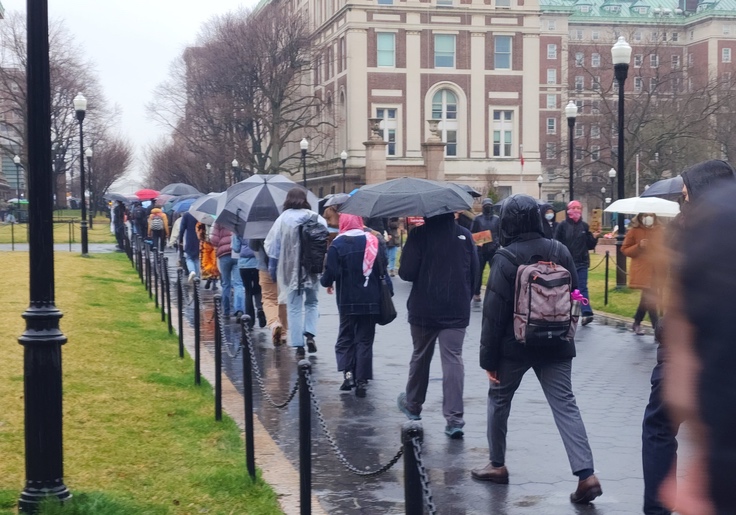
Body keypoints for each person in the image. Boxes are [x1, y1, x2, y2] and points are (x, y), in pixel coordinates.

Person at [472, 194, 602, 504]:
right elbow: (575, 294)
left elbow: (494, 314)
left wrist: (488, 360)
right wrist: (571, 326)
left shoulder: (506, 257)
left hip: (514, 345)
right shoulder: (559, 250)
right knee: (565, 404)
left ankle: (498, 464)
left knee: (499, 401)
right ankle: (587, 475)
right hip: (557, 341)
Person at [641, 159, 736, 515]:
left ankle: (655, 509)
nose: (683, 204)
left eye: (686, 196)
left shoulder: (698, 233)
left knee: (660, 424)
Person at [396, 211, 479, 439]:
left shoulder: (419, 235)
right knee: (453, 359)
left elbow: (406, 273)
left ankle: (413, 405)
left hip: (425, 305)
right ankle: (454, 419)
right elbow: (475, 271)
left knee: (421, 355)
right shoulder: (464, 235)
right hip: (456, 307)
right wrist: (466, 295)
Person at [320, 213, 391, 398]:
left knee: (346, 337)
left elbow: (329, 275)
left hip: (347, 300)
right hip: (371, 298)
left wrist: (327, 281)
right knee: (365, 339)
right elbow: (382, 266)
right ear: (360, 222)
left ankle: (348, 375)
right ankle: (362, 379)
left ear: (343, 223)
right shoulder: (373, 241)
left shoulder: (337, 244)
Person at [264, 187, 327, 358]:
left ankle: (298, 344)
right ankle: (310, 334)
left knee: (294, 307)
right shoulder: (316, 218)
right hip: (312, 268)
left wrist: (272, 268)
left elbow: (273, 246)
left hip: (290, 268)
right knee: (312, 302)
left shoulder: (283, 219)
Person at [554, 200, 599, 326]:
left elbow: (589, 245)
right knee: (566, 289)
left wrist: (594, 237)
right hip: (566, 263)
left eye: (579, 208)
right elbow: (557, 243)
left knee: (582, 287)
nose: (577, 210)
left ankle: (586, 313)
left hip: (582, 262)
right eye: (574, 208)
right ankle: (565, 314)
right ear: (568, 210)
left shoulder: (584, 226)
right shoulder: (562, 226)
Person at [621, 213, 664, 335]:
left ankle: (637, 322)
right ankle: (657, 328)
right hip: (643, 270)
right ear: (640, 216)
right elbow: (625, 249)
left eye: (650, 215)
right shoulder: (634, 231)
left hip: (656, 269)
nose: (648, 218)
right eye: (645, 215)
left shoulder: (660, 230)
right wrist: (638, 246)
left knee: (647, 298)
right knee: (651, 298)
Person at [251, 238, 288, 345]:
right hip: (283, 266)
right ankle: (284, 333)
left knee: (269, 298)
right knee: (281, 298)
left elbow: (253, 246)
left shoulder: (258, 225)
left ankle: (274, 323)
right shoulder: (283, 222)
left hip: (265, 267)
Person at [210, 223, 245, 319]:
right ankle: (239, 310)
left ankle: (226, 311)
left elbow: (214, 239)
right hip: (237, 253)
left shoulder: (220, 220)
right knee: (238, 283)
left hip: (223, 254)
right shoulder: (238, 218)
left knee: (226, 284)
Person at [470, 198, 500, 303]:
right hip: (480, 250)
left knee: (495, 273)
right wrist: (479, 241)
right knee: (478, 272)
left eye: (489, 205)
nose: (488, 207)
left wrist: (496, 243)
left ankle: (496, 292)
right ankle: (476, 293)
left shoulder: (497, 219)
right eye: (486, 205)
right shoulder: (477, 219)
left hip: (493, 249)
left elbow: (500, 233)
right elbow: (472, 233)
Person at [233, 234, 266, 329]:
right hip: (257, 263)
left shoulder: (238, 229)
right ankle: (260, 309)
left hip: (243, 265)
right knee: (258, 289)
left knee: (248, 291)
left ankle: (249, 320)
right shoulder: (257, 229)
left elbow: (236, 248)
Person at [178, 211, 200, 281]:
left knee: (189, 257)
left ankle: (192, 271)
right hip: (199, 238)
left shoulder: (187, 215)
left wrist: (180, 239)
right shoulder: (201, 215)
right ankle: (197, 276)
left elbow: (182, 228)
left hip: (190, 238)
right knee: (197, 258)